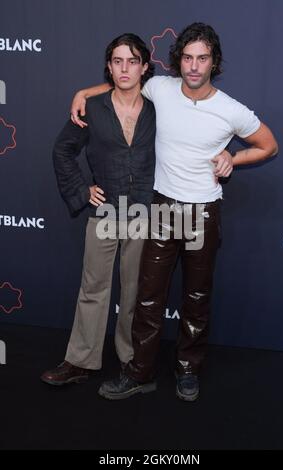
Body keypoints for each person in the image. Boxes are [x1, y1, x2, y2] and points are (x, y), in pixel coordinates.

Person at [70, 22, 278, 401]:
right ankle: (140, 373)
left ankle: (187, 370)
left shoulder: (231, 109)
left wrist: (234, 156)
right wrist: (84, 92)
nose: (194, 66)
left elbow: (269, 145)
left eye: (202, 58)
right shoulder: (160, 88)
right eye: (187, 58)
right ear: (177, 61)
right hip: (162, 207)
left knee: (196, 297)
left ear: (214, 62)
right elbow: (121, 86)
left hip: (202, 211)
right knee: (148, 297)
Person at [41, 33, 157, 386]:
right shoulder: (91, 107)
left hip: (143, 211)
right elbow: (62, 150)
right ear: (109, 67)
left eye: (132, 61)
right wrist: (81, 189)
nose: (125, 68)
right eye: (118, 61)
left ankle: (131, 360)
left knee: (135, 291)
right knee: (93, 288)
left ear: (144, 67)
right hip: (104, 212)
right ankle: (80, 360)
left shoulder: (159, 105)